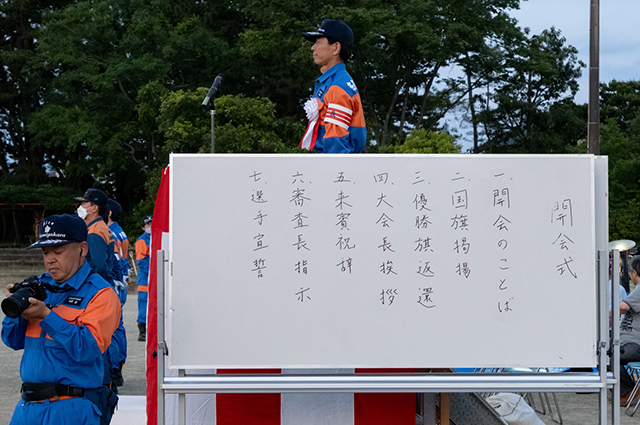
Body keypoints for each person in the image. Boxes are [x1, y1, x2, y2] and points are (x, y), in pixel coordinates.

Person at [1, 214, 121, 425]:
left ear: (82, 249)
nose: (50, 260)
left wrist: (46, 316)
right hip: (27, 408)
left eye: (58, 251)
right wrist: (16, 311)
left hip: (71, 407)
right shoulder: (40, 286)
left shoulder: (101, 294)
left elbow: (87, 349)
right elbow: (12, 341)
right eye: (45, 252)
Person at [300, 19, 366, 153]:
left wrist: (329, 171)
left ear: (336, 48)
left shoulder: (338, 87)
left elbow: (336, 144)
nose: (313, 47)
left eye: (318, 42)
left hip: (332, 167)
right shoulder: (332, 82)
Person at [107, 199, 129, 387]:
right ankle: (119, 364)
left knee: (112, 329)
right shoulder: (120, 231)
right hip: (121, 282)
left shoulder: (110, 233)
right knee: (118, 328)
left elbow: (112, 262)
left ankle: (114, 369)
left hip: (113, 283)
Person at [74, 189, 115, 285]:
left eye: (84, 203)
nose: (80, 207)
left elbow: (99, 266)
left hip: (97, 285)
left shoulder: (94, 231)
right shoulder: (101, 226)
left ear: (94, 208)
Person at [619, 255, 640, 405]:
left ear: (634, 273)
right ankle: (628, 390)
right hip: (629, 341)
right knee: (605, 354)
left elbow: (623, 307)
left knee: (607, 356)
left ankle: (630, 390)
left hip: (635, 343)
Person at [135, 215, 152, 342]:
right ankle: (142, 330)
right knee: (143, 302)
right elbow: (141, 261)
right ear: (143, 227)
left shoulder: (157, 239)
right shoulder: (142, 241)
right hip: (145, 277)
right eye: (148, 224)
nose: (150, 226)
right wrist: (152, 273)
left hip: (153, 276)